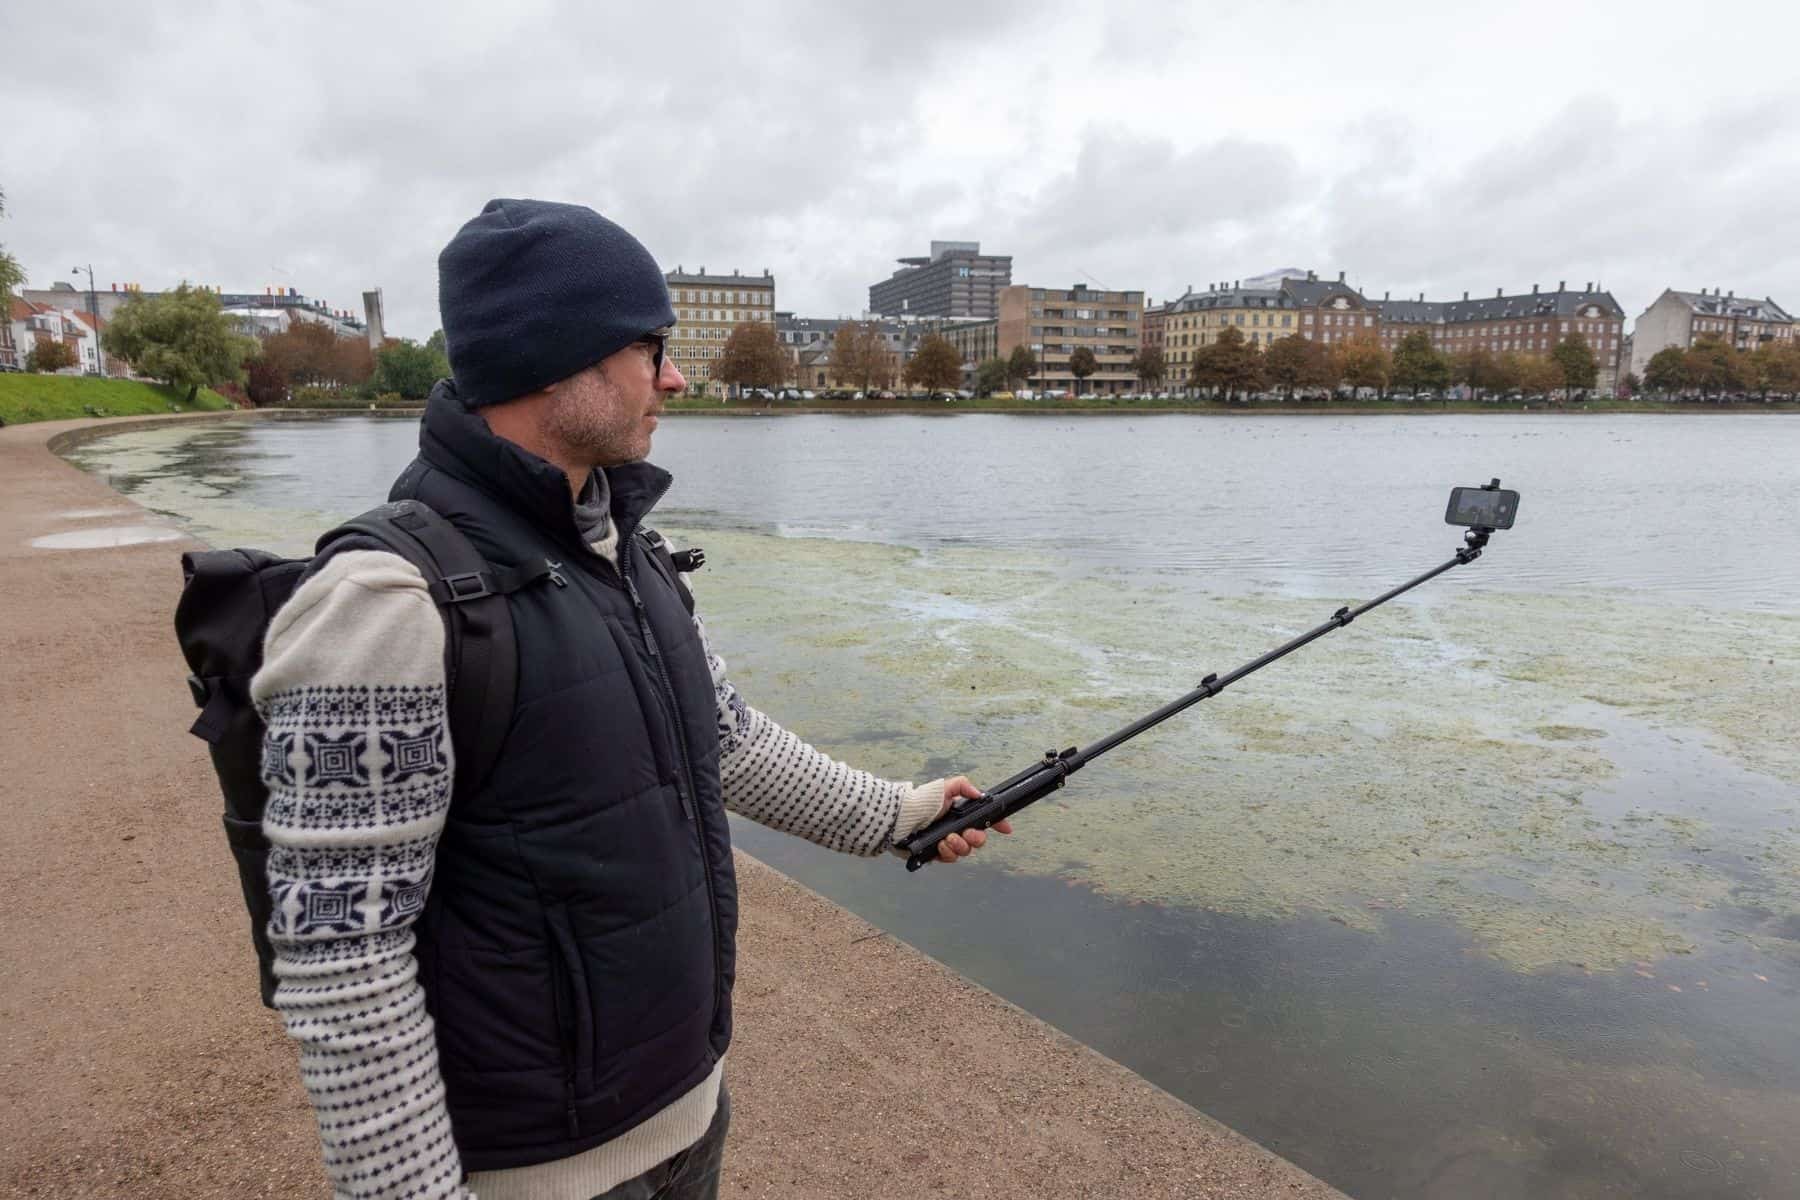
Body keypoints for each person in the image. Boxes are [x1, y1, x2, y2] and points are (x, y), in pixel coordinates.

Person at [249, 198, 1010, 1200]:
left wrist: (898, 812)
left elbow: (724, 738)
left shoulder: (628, 548)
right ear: (556, 359)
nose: (675, 376)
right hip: (539, 1176)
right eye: (651, 349)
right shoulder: (383, 604)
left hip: (687, 1115)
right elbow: (342, 956)